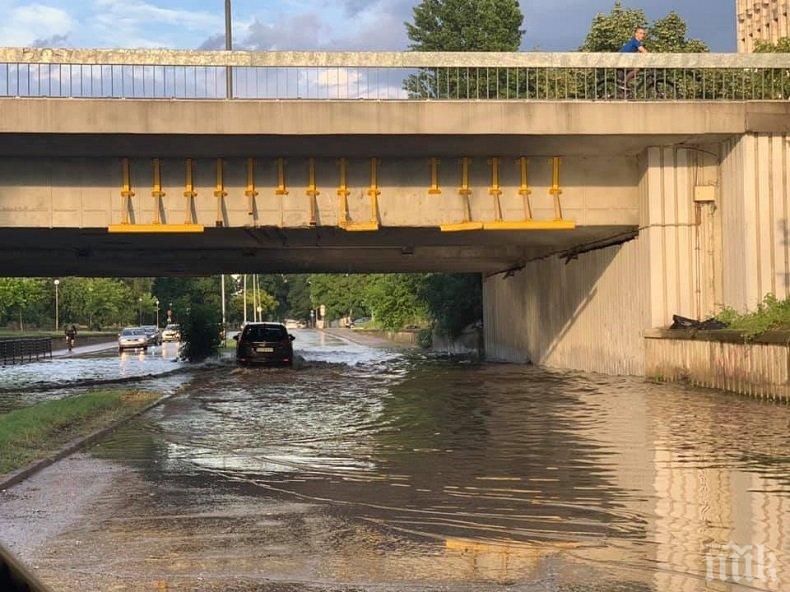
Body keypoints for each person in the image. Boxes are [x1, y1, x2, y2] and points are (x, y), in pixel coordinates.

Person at [619, 27, 648, 91]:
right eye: (641, 33)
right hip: (621, 62)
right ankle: (624, 83)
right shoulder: (635, 41)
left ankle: (625, 86)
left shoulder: (633, 42)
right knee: (637, 69)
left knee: (627, 88)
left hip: (621, 61)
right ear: (636, 34)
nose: (643, 35)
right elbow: (644, 51)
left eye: (644, 34)